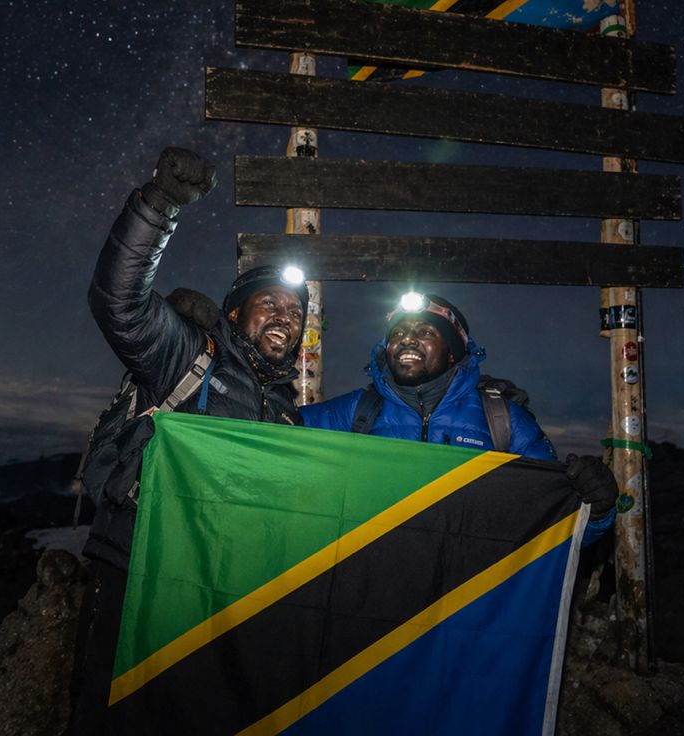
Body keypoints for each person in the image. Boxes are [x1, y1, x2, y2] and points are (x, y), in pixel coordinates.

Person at [68, 146, 307, 734]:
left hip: (218, 582)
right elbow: (117, 302)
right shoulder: (187, 353)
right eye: (268, 304)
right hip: (136, 559)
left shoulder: (286, 413)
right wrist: (159, 205)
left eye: (296, 312)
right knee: (109, 712)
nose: (284, 316)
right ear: (232, 315)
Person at [301, 291, 618, 543]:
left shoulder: (503, 421)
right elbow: (274, 438)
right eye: (398, 333)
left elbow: (553, 525)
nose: (407, 340)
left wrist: (596, 509)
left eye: (425, 331)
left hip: (466, 603)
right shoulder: (356, 412)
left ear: (452, 352)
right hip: (379, 599)